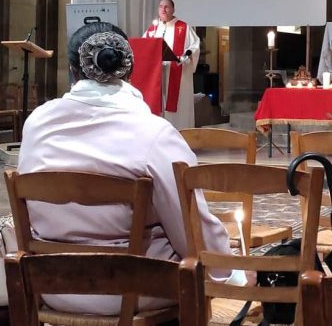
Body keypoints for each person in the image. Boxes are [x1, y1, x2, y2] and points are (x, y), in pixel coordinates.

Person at [17, 22, 244, 316]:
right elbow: (190, 228)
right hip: (133, 289)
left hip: (51, 284)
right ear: (129, 70)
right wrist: (229, 272)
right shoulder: (154, 134)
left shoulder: (37, 123)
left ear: (72, 71)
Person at [143, 0, 200, 129]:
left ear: (173, 9)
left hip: (177, 71)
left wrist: (184, 57)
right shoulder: (153, 29)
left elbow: (195, 46)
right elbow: (144, 46)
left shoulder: (183, 27)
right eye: (161, 6)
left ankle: (180, 133)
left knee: (178, 106)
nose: (163, 9)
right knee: (158, 104)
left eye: (167, 6)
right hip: (158, 72)